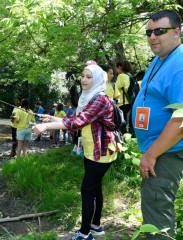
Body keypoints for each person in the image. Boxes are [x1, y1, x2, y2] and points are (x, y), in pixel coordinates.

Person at [33, 64, 120, 240]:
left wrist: (45, 126)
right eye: (83, 76)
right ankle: (96, 226)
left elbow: (78, 122)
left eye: (89, 77)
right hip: (94, 150)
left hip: (102, 151)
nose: (84, 79)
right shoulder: (91, 97)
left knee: (87, 191)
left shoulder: (100, 99)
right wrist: (53, 118)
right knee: (95, 189)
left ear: (96, 80)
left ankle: (85, 234)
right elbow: (77, 118)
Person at [132, 9, 183, 239]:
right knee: (153, 209)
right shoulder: (160, 59)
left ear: (176, 32)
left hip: (166, 152)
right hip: (159, 150)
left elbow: (181, 118)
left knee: (157, 215)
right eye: (149, 33)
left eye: (159, 32)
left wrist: (151, 154)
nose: (152, 37)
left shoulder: (180, 63)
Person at [115, 60, 134, 134]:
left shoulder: (121, 76)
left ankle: (124, 137)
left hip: (123, 102)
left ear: (119, 67)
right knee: (128, 121)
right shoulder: (129, 75)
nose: (116, 71)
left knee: (122, 122)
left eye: (116, 68)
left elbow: (116, 88)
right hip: (130, 101)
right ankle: (130, 135)